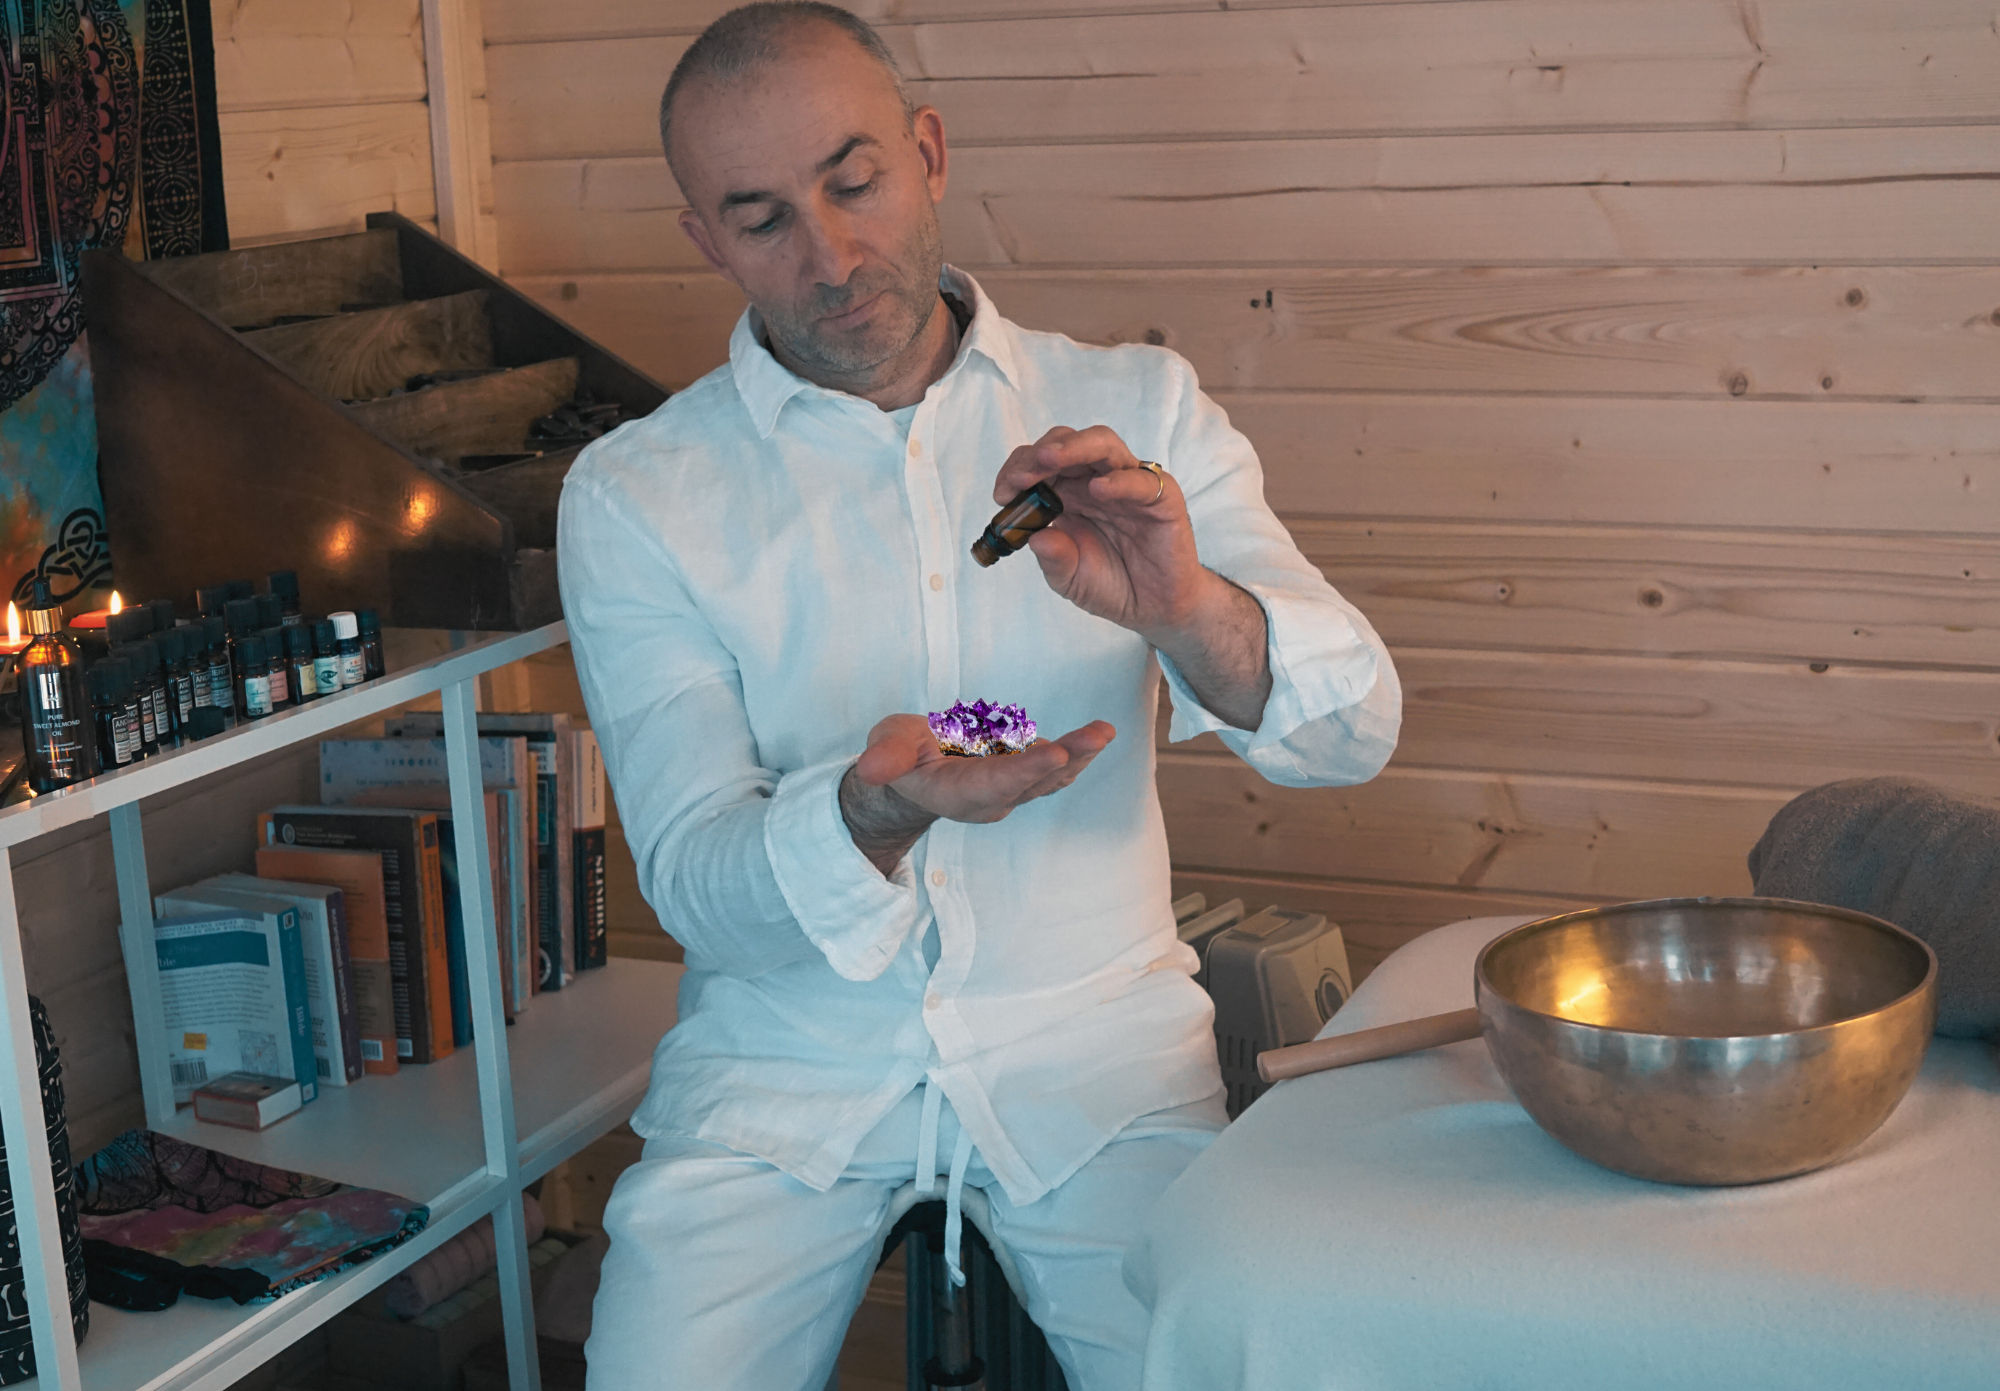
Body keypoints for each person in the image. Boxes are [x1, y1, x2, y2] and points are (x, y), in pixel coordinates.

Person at [555, 4, 1402, 1387]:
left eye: (855, 182)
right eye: (763, 220)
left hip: (1101, 1054)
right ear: (707, 240)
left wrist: (1186, 606)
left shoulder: (1138, 412)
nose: (831, 257)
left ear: (930, 153)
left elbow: (1354, 733)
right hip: (780, 1076)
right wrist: (869, 817)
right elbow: (699, 884)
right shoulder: (638, 495)